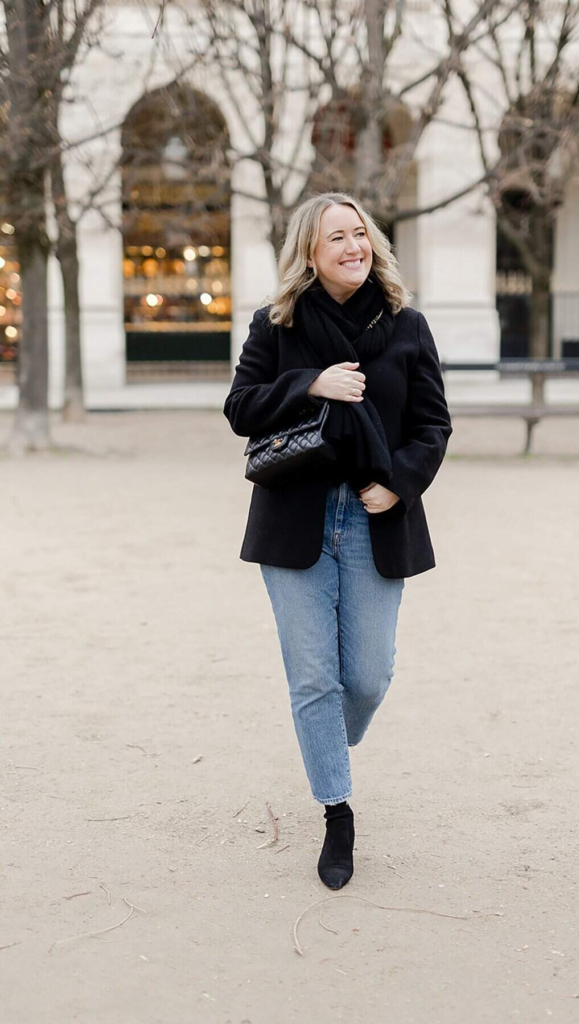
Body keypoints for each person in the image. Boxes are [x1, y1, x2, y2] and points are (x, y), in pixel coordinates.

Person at [223, 191, 452, 890]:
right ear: (311, 254)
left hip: (373, 516)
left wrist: (399, 483)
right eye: (336, 239)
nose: (352, 246)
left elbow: (432, 426)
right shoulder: (276, 324)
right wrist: (308, 384)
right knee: (314, 680)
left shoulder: (407, 326)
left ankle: (326, 742)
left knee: (367, 677)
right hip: (295, 517)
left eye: (359, 234)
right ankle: (336, 812)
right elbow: (240, 409)